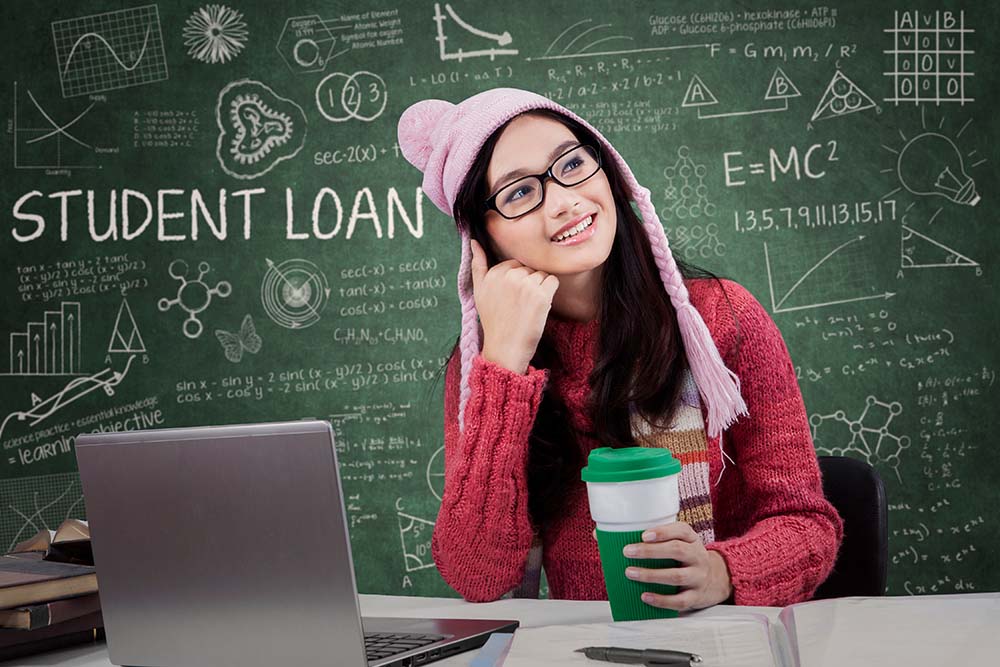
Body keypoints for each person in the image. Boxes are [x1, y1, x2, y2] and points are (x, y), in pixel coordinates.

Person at [397, 88, 842, 611]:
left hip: (722, 639)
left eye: (572, 163)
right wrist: (504, 367)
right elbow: (476, 576)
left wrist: (723, 571)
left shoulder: (720, 320)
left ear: (608, 170)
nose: (564, 200)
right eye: (518, 193)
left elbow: (808, 526)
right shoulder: (486, 369)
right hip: (577, 650)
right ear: (481, 236)